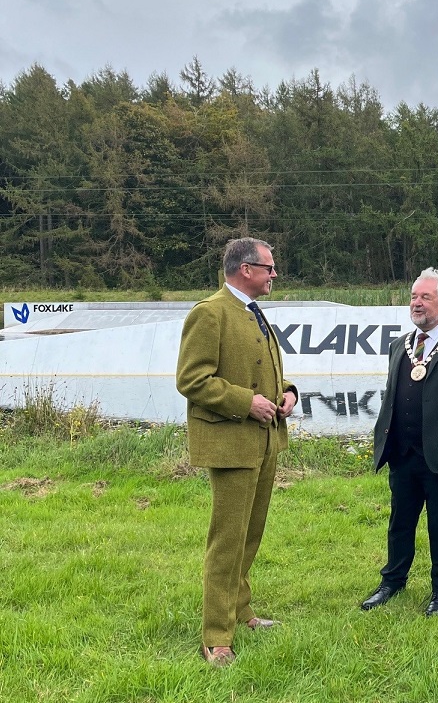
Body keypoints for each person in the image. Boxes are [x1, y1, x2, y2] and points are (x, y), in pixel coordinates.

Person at [176, 237, 298, 667]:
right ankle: (216, 636)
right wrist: (245, 402)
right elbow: (192, 380)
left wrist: (287, 394)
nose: (274, 274)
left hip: (263, 442)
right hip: (231, 444)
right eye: (269, 267)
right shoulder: (209, 313)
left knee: (251, 533)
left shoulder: (253, 312)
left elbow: (266, 373)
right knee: (227, 541)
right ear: (246, 269)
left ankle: (241, 610)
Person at [360, 268, 438, 617]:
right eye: (414, 296)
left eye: (425, 297)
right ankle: (392, 581)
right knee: (400, 522)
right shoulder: (399, 345)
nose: (416, 303)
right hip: (402, 452)